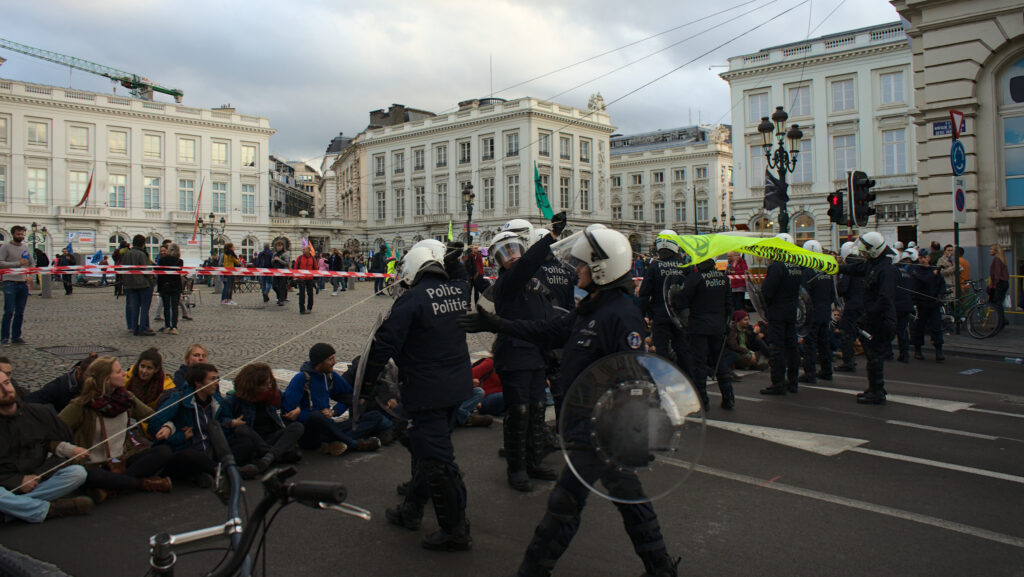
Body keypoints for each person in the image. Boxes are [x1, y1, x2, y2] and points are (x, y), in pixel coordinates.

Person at [458, 225, 680, 577]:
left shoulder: (620, 313)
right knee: (621, 503)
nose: (576, 271)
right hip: (587, 425)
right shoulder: (593, 307)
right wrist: (499, 323)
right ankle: (660, 568)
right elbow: (548, 331)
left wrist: (641, 427)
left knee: (568, 506)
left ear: (602, 269)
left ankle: (535, 570)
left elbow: (636, 375)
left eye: (583, 266)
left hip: (605, 429)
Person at [358, 246, 473, 551]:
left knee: (438, 460)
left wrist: (367, 384)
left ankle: (455, 529)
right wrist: (453, 260)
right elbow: (464, 278)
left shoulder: (411, 299)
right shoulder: (457, 292)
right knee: (428, 453)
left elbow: (383, 345)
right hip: (456, 387)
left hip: (426, 390)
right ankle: (410, 511)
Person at [485, 217, 561, 493]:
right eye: (504, 254)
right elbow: (527, 265)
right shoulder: (507, 282)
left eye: (514, 250)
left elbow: (546, 313)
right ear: (497, 261)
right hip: (515, 355)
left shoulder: (534, 278)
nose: (511, 257)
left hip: (537, 354)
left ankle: (534, 460)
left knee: (537, 410)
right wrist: (550, 237)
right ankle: (516, 468)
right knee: (518, 412)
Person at [58, 357, 173, 504]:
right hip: (93, 465)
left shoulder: (126, 398)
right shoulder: (81, 406)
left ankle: (110, 487)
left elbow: (153, 416)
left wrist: (168, 427)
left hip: (122, 461)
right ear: (106, 379)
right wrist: (71, 450)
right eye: (119, 372)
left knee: (164, 452)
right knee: (90, 476)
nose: (124, 373)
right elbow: (52, 431)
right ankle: (143, 484)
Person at [0, 370, 94, 522]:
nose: (6, 390)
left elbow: (53, 445)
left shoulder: (37, 412)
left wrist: (37, 475)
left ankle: (10, 511)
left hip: (38, 479)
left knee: (77, 473)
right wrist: (18, 481)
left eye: (6, 383)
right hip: (5, 484)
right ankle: (46, 509)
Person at [281, 343, 382, 456]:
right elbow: (287, 411)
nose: (335, 362)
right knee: (316, 416)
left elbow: (349, 396)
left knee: (374, 416)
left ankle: (335, 443)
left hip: (329, 428)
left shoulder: (329, 376)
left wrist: (334, 411)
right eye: (330, 359)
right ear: (320, 362)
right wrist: (304, 412)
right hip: (309, 432)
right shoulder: (301, 379)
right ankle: (354, 444)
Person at [148, 363, 230, 487]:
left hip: (210, 450)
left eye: (217, 379)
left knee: (243, 441)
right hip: (186, 450)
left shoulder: (216, 401)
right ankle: (224, 471)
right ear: (198, 383)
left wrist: (229, 423)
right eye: (212, 379)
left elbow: (226, 418)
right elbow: (153, 425)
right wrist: (177, 433)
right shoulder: (180, 399)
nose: (217, 383)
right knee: (189, 456)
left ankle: (205, 474)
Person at [841, 232, 898, 404]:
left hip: (881, 321)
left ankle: (877, 392)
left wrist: (867, 316)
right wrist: (829, 266)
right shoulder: (873, 265)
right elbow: (853, 268)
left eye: (865, 250)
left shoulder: (887, 270)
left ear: (874, 250)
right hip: (874, 319)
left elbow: (884, 299)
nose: (863, 253)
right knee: (872, 356)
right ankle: (874, 388)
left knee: (875, 357)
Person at [672, 256, 734, 409]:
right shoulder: (723, 277)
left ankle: (702, 400)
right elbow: (729, 303)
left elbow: (681, 301)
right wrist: (726, 323)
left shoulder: (695, 278)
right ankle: (728, 397)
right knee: (719, 361)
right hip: (718, 325)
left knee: (699, 363)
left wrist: (676, 294)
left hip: (699, 325)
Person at [225, 363, 304, 479]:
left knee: (297, 427)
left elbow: (288, 401)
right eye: (265, 384)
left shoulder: (271, 394)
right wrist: (232, 422)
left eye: (270, 382)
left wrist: (297, 409)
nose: (269, 386)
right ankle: (274, 456)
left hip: (270, 436)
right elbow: (221, 420)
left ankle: (267, 458)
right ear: (254, 386)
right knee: (242, 429)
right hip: (252, 439)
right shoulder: (234, 400)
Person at [637, 230, 692, 378]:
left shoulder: (655, 266)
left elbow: (644, 294)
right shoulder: (683, 265)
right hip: (680, 316)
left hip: (661, 315)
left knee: (661, 352)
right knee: (682, 350)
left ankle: (662, 381)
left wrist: (644, 314)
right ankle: (688, 381)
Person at [760, 234, 804, 395]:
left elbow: (767, 290)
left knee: (777, 349)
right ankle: (793, 382)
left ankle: (778, 383)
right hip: (791, 311)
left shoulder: (777, 267)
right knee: (792, 348)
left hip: (777, 312)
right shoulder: (795, 265)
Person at [799, 240, 835, 383]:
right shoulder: (826, 271)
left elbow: (804, 294)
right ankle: (827, 371)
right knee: (824, 342)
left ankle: (810, 373)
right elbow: (832, 293)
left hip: (812, 313)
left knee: (810, 344)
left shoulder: (807, 272)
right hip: (825, 311)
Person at [23, 353, 99, 412]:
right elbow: (29, 402)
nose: (93, 380)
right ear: (79, 371)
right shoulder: (58, 387)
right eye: (89, 375)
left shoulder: (97, 384)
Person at [910, 249, 946, 362]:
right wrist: (932, 274)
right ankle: (918, 349)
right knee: (919, 328)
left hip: (934, 304)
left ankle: (939, 350)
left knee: (936, 327)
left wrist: (940, 295)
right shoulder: (916, 270)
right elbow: (923, 280)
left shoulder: (934, 270)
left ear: (929, 258)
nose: (923, 260)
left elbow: (942, 284)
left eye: (925, 257)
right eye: (921, 257)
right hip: (921, 304)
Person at [0, 225, 33, 345]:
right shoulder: (6, 247)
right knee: (9, 311)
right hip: (9, 282)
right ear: (13, 234)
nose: (20, 236)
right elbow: (1, 262)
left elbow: (31, 262)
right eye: (18, 234)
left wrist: (29, 273)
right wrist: (17, 264)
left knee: (20, 311)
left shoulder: (25, 247)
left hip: (22, 283)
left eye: (22, 234)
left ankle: (16, 336)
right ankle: (4, 337)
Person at [835, 242, 865, 372]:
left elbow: (843, 288)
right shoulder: (863, 266)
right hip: (864, 304)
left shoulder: (849, 268)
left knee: (846, 332)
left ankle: (848, 361)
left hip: (852, 304)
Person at [122, 234, 157, 336]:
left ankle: (134, 327)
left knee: (135, 307)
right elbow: (147, 270)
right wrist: (152, 281)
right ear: (143, 244)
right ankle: (143, 327)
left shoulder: (127, 254)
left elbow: (123, 268)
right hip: (143, 284)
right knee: (145, 307)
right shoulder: (142, 254)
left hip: (130, 284)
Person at [893, 249, 918, 363]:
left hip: (896, 304)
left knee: (893, 329)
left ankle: (890, 353)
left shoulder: (892, 271)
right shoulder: (906, 272)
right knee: (903, 330)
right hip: (906, 304)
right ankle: (905, 353)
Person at [157, 243, 184, 334]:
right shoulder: (180, 261)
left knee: (166, 307)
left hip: (165, 285)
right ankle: (174, 326)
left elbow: (160, 275)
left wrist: (160, 286)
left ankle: (167, 325)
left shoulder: (162, 260)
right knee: (175, 307)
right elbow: (178, 274)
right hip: (176, 285)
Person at [989, 243, 1010, 328]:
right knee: (998, 303)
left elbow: (997, 273)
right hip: (1004, 282)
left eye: (991, 249)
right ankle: (1002, 320)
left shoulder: (996, 259)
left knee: (996, 303)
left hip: (1000, 283)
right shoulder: (1002, 259)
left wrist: (994, 284)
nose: (989, 251)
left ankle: (1001, 321)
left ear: (995, 251)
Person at [293, 244, 317, 314]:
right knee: (302, 294)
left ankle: (309, 307)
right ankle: (302, 309)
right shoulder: (299, 258)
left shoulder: (313, 259)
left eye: (305, 249)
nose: (303, 250)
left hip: (310, 278)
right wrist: (295, 276)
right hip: (301, 278)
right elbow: (295, 267)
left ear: (309, 250)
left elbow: (316, 268)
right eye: (303, 249)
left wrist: (315, 277)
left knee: (310, 294)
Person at [271, 240, 291, 306]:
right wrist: (274, 260)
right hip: (275, 272)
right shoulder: (275, 253)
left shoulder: (286, 253)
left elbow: (287, 263)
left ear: (282, 246)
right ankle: (281, 297)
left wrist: (279, 260)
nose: (278, 247)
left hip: (283, 272)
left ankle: (281, 300)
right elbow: (272, 261)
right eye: (277, 246)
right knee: (274, 286)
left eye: (280, 246)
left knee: (282, 286)